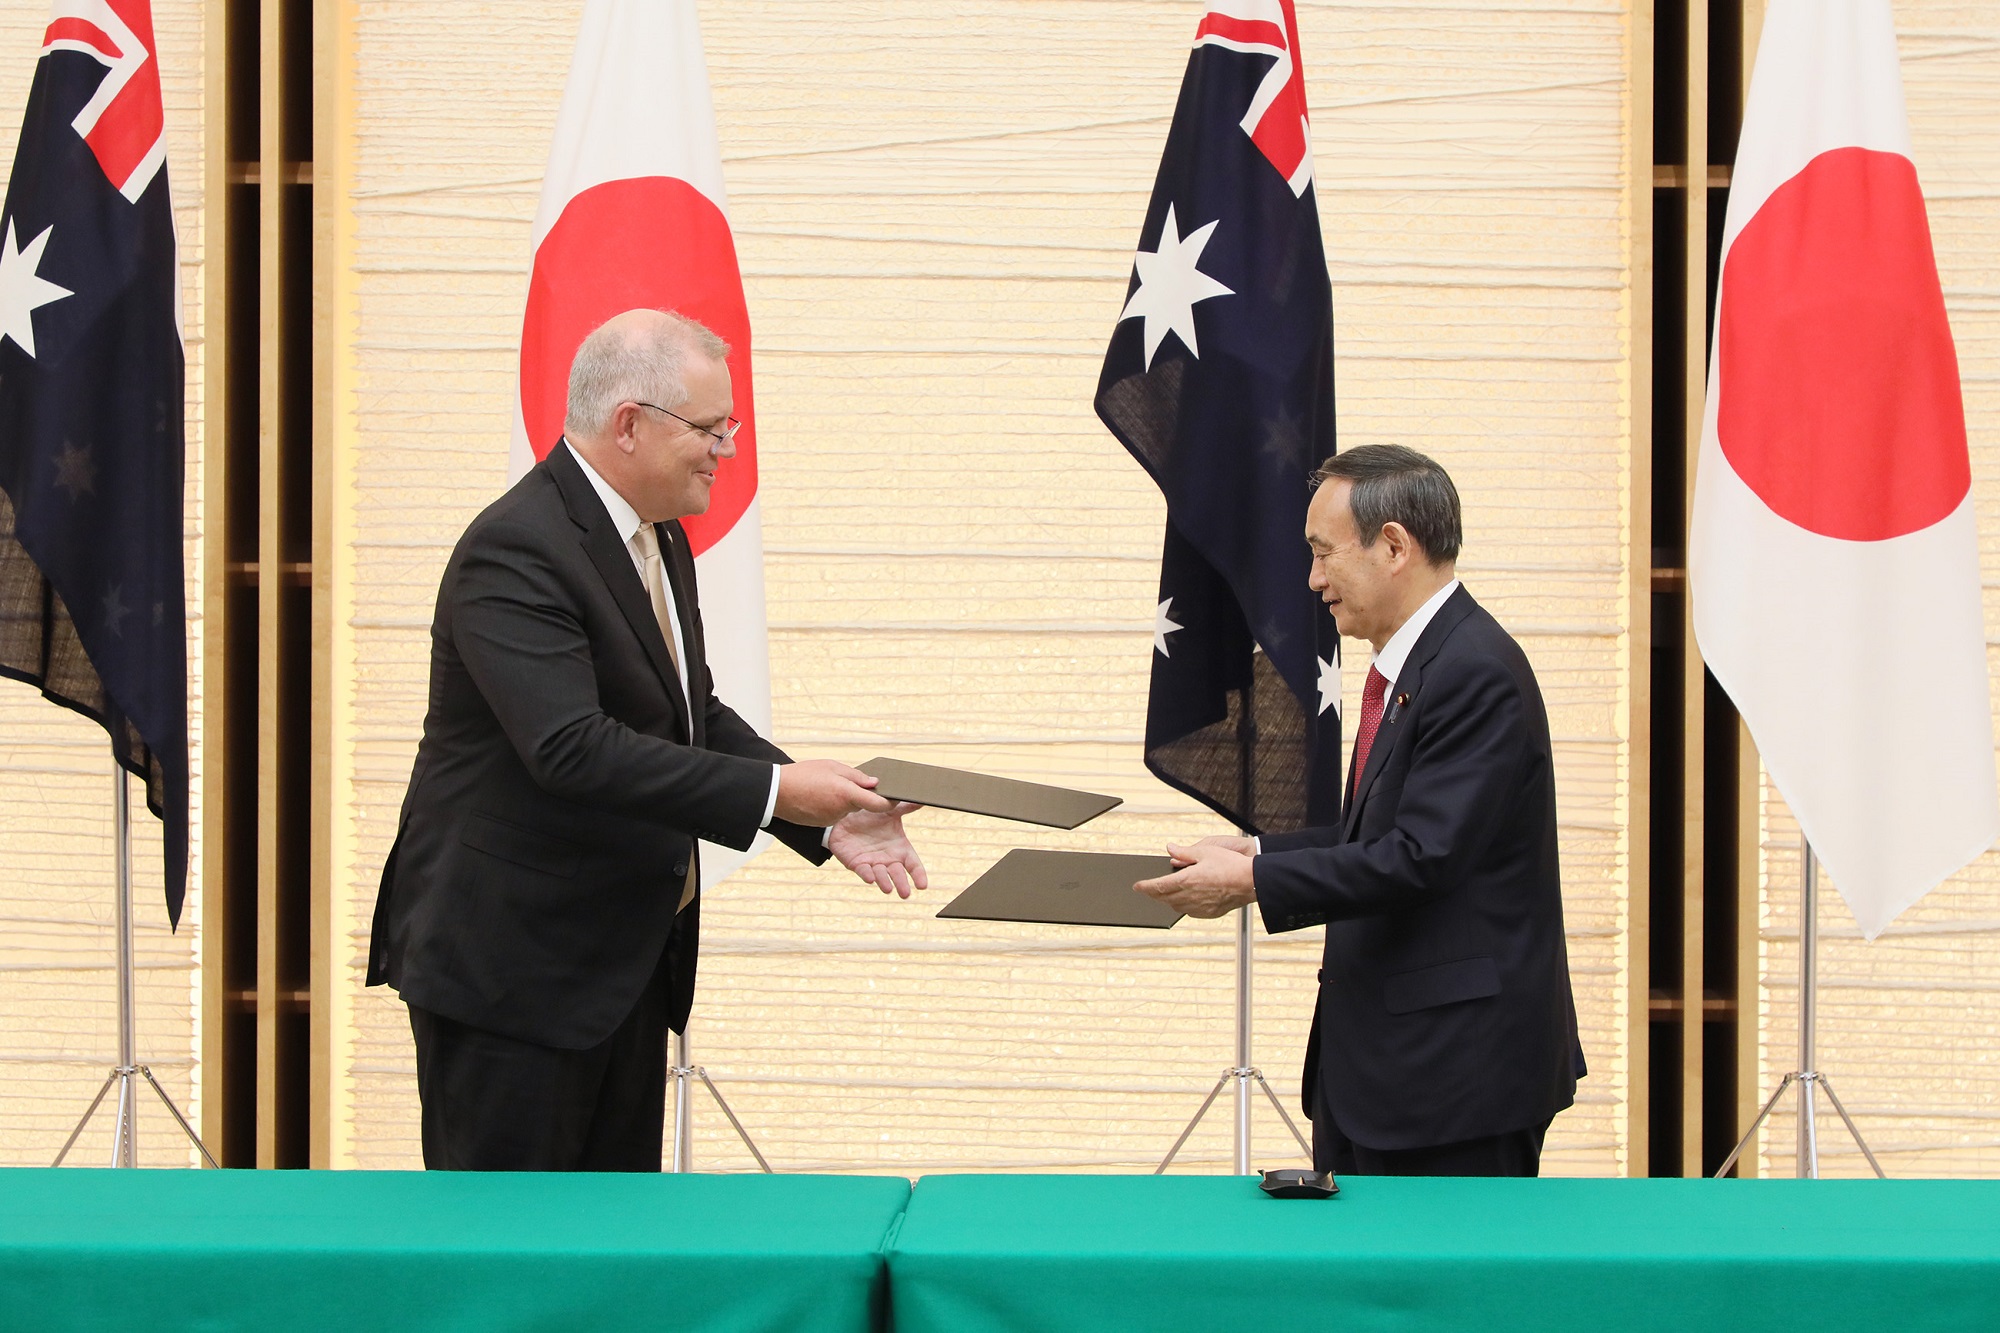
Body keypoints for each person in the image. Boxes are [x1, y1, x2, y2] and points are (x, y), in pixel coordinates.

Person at [367, 308, 927, 1171]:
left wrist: (823, 816)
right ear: (629, 423)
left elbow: (688, 713)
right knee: (512, 1250)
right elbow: (572, 748)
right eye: (711, 427)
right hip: (510, 980)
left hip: (618, 970)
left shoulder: (659, 534)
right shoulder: (515, 548)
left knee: (616, 1247)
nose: (726, 449)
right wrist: (779, 792)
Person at [1136, 444, 1583, 1177]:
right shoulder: (1423, 663)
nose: (1312, 579)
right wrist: (1259, 853)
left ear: (1395, 546)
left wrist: (1252, 884)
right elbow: (1377, 834)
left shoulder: (1474, 670)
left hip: (1454, 1083)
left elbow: (1421, 857)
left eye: (1323, 553)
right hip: (1384, 1072)